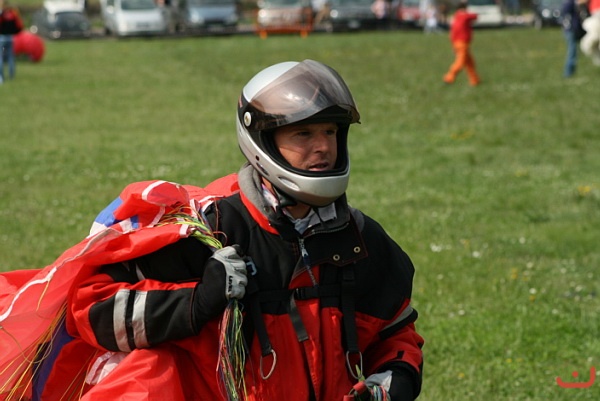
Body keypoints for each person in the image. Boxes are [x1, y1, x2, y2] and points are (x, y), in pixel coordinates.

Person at [29, 60, 424, 401]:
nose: (323, 146)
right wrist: (197, 302)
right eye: (303, 134)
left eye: (330, 132)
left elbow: (394, 332)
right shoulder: (208, 229)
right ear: (264, 141)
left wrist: (395, 378)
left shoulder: (358, 237)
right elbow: (92, 310)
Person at [443, 0, 480, 86]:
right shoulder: (463, 15)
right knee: (460, 62)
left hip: (456, 43)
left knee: (470, 63)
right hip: (462, 43)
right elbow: (474, 16)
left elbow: (452, 34)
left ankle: (475, 80)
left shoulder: (456, 17)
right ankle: (449, 77)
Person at [561, 0, 587, 77]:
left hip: (575, 29)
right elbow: (566, 10)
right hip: (571, 30)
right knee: (572, 51)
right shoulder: (570, 3)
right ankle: (568, 73)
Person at [0, 0, 23, 84]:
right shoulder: (12, 13)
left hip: (2, 38)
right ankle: (11, 76)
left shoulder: (1, 14)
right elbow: (19, 25)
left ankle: (1, 77)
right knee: (10, 57)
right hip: (10, 38)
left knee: (1, 57)